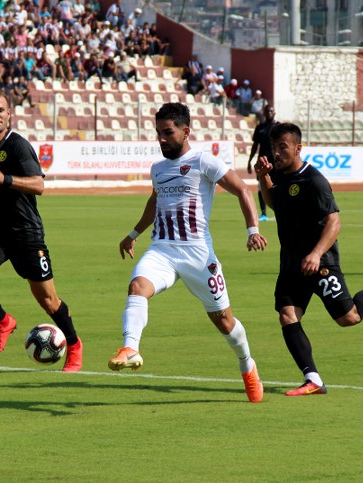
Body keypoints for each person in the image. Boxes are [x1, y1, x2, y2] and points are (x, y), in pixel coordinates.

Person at [108, 102, 267, 403]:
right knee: (137, 287)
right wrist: (133, 234)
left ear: (185, 131)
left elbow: (243, 190)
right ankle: (131, 348)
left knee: (224, 321)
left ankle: (247, 364)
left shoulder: (203, 161)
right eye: (158, 133)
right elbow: (155, 202)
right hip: (162, 250)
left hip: (198, 255)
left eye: (168, 132)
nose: (162, 139)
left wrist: (252, 230)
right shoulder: (158, 168)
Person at [254, 122, 363, 396]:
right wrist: (263, 178)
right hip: (292, 264)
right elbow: (276, 204)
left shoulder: (314, 181)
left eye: (283, 147)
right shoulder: (279, 175)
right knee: (287, 315)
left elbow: (334, 222)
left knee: (349, 318)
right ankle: (313, 379)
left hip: (321, 264)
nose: (277, 153)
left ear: (298, 148)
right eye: (274, 147)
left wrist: (317, 254)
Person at [0, 88, 83, 371]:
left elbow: (39, 185)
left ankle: (73, 344)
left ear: (9, 113)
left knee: (48, 301)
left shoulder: (18, 146)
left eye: (1, 110)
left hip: (26, 234)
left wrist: (5, 179)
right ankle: (3, 321)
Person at [247, 104, 279, 222]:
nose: (269, 113)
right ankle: (263, 213)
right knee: (261, 186)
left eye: (271, 111)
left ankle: (278, 211)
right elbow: (255, 146)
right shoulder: (260, 128)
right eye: (267, 111)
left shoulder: (278, 127)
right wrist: (249, 161)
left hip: (276, 163)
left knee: (277, 186)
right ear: (264, 113)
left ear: (274, 112)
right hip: (262, 162)